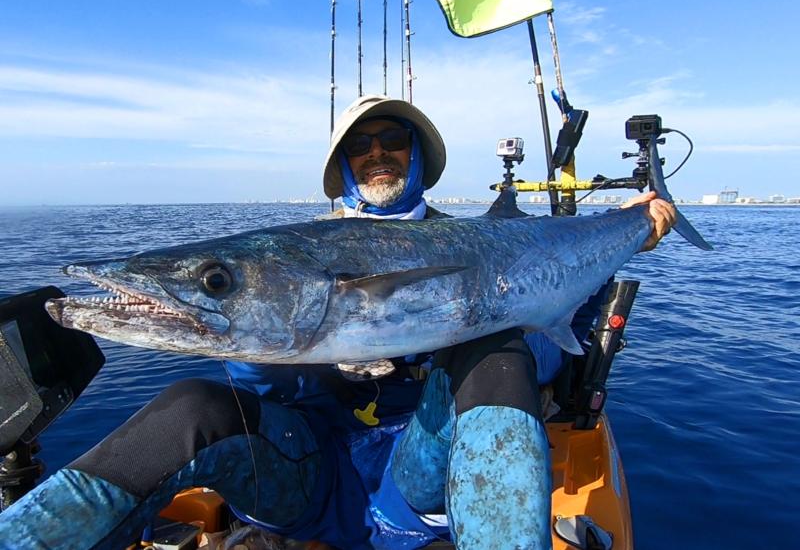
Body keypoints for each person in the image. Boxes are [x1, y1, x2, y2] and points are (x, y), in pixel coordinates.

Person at [0, 95, 675, 550]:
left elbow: (550, 333)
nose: (377, 154)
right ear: (343, 168)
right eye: (361, 147)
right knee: (191, 405)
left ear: (416, 158)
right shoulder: (299, 249)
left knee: (495, 355)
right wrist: (257, 348)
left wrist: (634, 232)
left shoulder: (468, 239)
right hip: (310, 474)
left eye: (393, 141)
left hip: (424, 472)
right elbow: (267, 395)